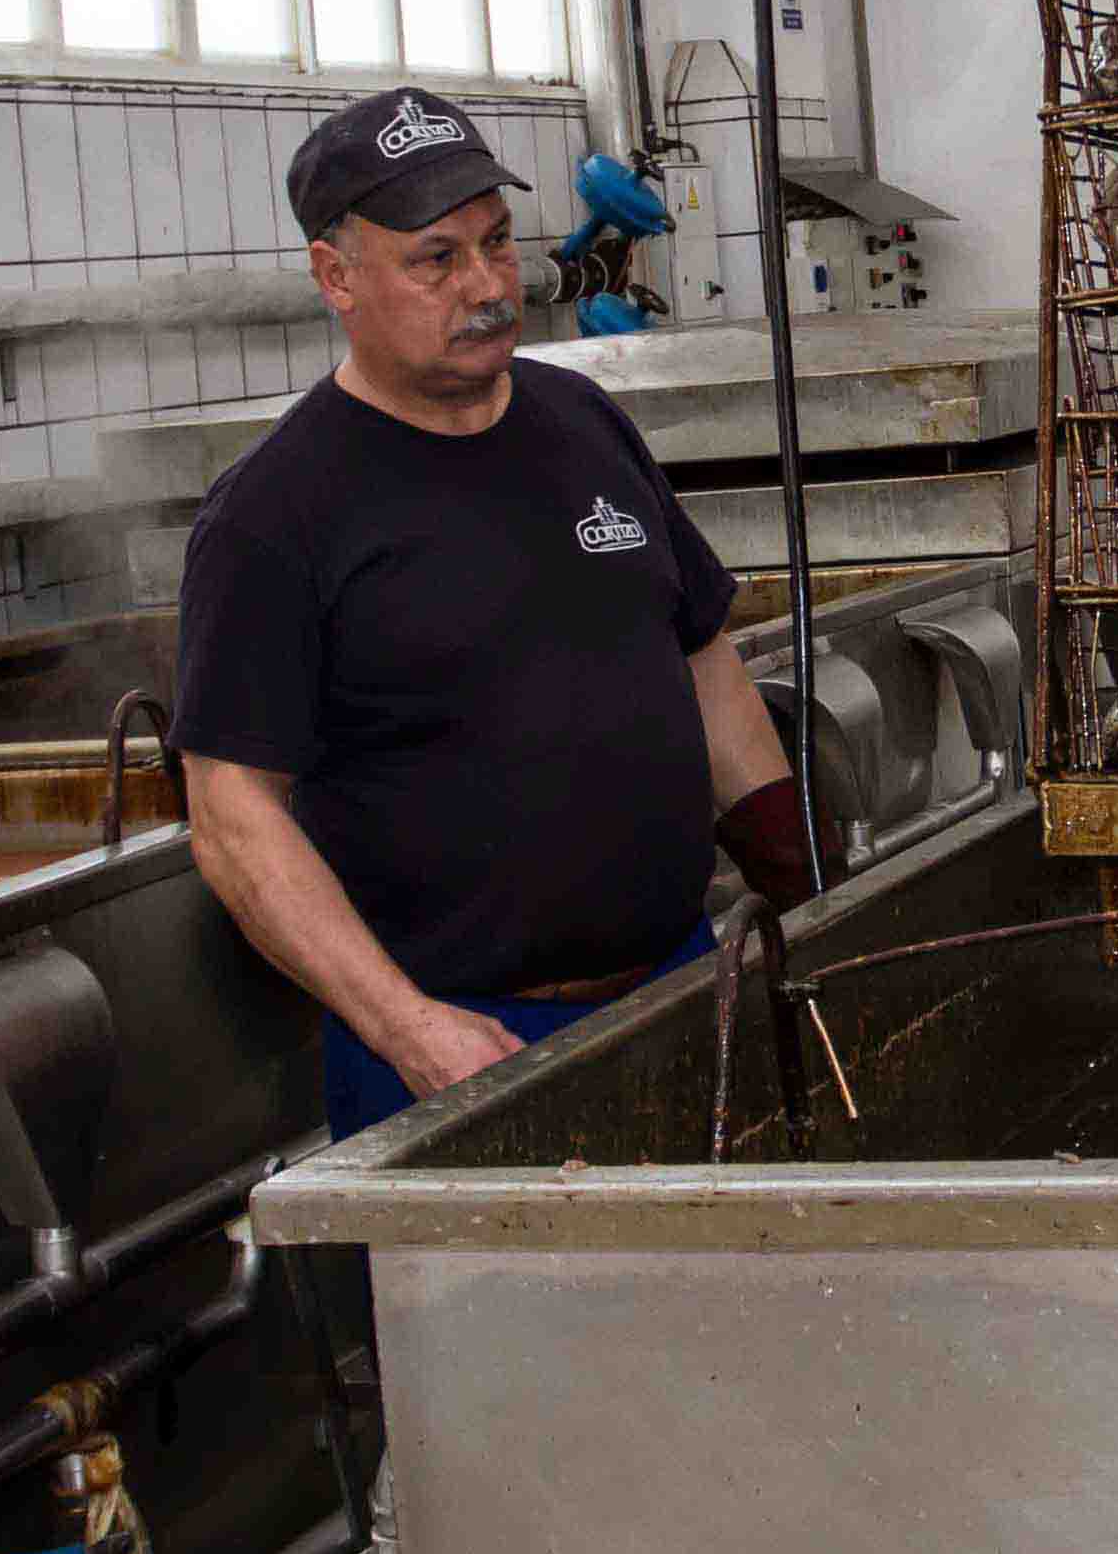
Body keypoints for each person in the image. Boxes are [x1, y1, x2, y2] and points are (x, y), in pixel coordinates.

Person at [170, 87, 819, 1147]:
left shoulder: (584, 421)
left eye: (498, 242)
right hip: (457, 1048)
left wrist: (797, 873)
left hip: (682, 985)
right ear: (337, 277)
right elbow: (233, 818)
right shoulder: (277, 513)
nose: (484, 285)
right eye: (436, 259)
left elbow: (700, 661)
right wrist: (410, 1029)